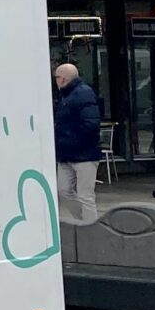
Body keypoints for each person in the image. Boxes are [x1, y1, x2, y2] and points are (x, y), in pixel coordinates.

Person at [52, 62, 104, 222]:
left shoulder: (82, 94)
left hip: (84, 153)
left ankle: (89, 227)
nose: (55, 81)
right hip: (68, 152)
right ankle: (84, 221)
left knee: (85, 195)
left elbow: (91, 124)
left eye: (56, 78)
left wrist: (67, 139)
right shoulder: (67, 95)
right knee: (63, 190)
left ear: (62, 79)